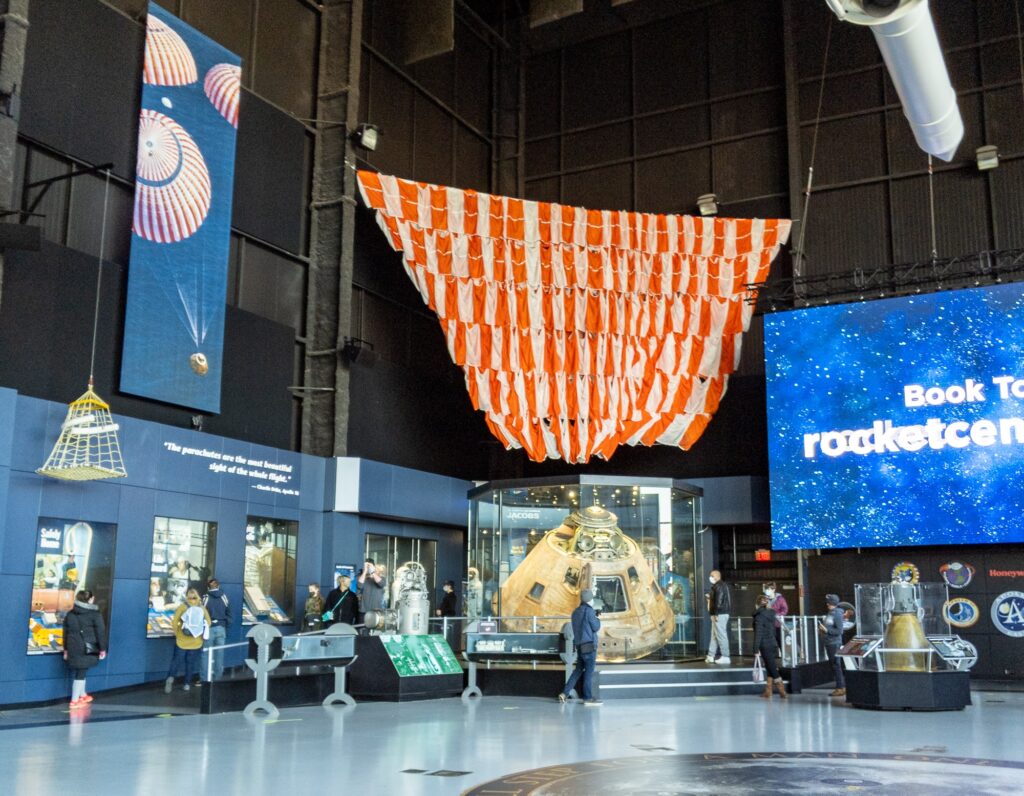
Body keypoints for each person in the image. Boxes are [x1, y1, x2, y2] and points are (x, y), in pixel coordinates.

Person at [62, 589, 106, 709]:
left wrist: (66, 649)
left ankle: (83, 695)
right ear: (90, 599)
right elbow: (100, 632)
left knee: (82, 670)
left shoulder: (70, 614)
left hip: (72, 646)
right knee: (80, 673)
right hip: (86, 647)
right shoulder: (95, 614)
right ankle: (75, 701)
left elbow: (65, 633)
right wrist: (103, 649)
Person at [558, 589, 602, 706]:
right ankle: (587, 698)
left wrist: (593, 615)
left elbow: (582, 625)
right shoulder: (590, 611)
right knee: (588, 672)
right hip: (589, 646)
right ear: (589, 600)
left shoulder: (575, 612)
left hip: (580, 646)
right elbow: (595, 627)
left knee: (577, 671)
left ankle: (564, 693)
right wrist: (597, 618)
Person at [165, 588, 210, 693]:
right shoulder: (202, 608)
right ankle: (186, 684)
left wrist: (177, 633)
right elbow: (208, 622)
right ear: (197, 596)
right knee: (190, 664)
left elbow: (175, 621)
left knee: (176, 662)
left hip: (181, 641)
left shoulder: (183, 607)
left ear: (187, 597)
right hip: (196, 642)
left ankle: (170, 678)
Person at [753, 594, 787, 700]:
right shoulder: (771, 614)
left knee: (772, 668)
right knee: (769, 667)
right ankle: (768, 690)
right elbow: (773, 631)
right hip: (772, 643)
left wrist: (755, 648)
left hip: (765, 645)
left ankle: (782, 691)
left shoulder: (759, 616)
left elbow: (758, 633)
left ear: (757, 604)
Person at [202, 578, 231, 679]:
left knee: (205, 654)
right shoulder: (224, 597)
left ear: (208, 587)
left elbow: (202, 612)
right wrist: (225, 624)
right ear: (218, 586)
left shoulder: (205, 598)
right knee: (219, 654)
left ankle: (204, 679)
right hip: (221, 628)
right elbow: (229, 613)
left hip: (209, 628)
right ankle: (217, 678)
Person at [819, 593, 846, 697]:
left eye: (828, 602)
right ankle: (840, 686)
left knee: (836, 665)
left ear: (832, 603)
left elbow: (839, 631)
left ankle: (840, 687)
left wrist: (827, 630)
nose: (827, 604)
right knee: (835, 665)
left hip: (834, 643)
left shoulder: (837, 614)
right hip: (829, 642)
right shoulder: (831, 613)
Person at [705, 570, 732, 664]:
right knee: (714, 636)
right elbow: (717, 599)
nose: (710, 577)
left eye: (711, 575)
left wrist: (715, 613)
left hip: (720, 614)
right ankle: (711, 655)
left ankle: (725, 656)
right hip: (719, 613)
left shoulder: (719, 586)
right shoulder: (719, 586)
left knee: (721, 635)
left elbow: (719, 600)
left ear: (716, 576)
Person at [764, 582, 789, 649]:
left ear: (773, 589)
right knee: (768, 643)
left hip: (778, 624)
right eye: (766, 589)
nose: (766, 590)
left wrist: (777, 615)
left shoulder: (780, 599)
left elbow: (785, 610)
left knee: (780, 641)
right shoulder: (764, 599)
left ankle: (785, 656)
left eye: (768, 589)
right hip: (767, 625)